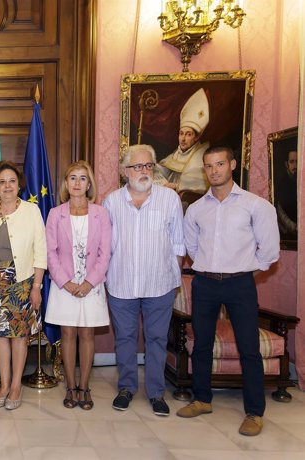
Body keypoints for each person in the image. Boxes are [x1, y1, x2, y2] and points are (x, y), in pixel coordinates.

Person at [177, 145, 280, 436]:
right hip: (205, 282)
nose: (214, 171)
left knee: (249, 348)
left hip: (240, 284)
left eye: (219, 164)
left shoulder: (256, 205)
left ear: (232, 164)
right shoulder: (196, 209)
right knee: (202, 344)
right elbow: (192, 248)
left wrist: (244, 270)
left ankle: (254, 412)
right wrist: (209, 268)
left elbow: (269, 251)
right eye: (208, 166)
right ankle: (202, 399)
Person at [104, 144, 185, 416]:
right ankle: (126, 388)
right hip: (121, 283)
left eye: (148, 165)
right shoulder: (111, 201)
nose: (144, 171)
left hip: (159, 284)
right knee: (125, 338)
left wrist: (174, 276)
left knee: (157, 339)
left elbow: (178, 243)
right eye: (137, 166)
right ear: (125, 172)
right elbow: (106, 244)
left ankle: (156, 393)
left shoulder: (169, 199)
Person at [0, 160, 47, 410]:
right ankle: (4, 385)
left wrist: (37, 286)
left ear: (19, 185)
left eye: (12, 181)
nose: (7, 186)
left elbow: (41, 250)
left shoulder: (31, 211)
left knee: (19, 337)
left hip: (22, 283)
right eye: (2, 181)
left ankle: (16, 386)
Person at [45, 160, 111, 410]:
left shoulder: (100, 213)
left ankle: (85, 387)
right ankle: (70, 387)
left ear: (89, 184)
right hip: (65, 286)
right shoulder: (55, 214)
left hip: (92, 286)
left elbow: (105, 252)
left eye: (83, 178)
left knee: (87, 334)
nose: (77, 183)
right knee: (68, 334)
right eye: (73, 177)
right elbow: (50, 252)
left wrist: (89, 282)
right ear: (66, 183)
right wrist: (67, 282)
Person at [157, 88, 211, 205]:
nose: (183, 138)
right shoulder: (177, 153)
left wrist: (176, 186)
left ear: (196, 137)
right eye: (181, 133)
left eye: (188, 134)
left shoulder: (201, 155)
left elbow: (199, 184)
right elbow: (162, 169)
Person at [275, 149, 297, 239]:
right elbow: (280, 213)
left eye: (297, 161)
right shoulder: (281, 185)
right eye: (292, 162)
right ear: (286, 164)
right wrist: (295, 227)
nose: (295, 165)